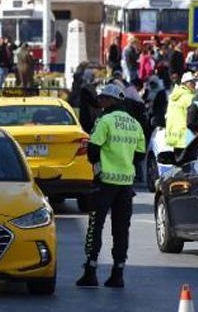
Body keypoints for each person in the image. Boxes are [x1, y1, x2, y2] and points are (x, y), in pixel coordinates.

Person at [76, 84, 145, 288]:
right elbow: (139, 155)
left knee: (95, 226)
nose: (100, 102)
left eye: (103, 98)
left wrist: (99, 169)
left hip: (105, 182)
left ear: (110, 100)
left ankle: (90, 271)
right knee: (121, 229)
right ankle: (118, 273)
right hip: (125, 184)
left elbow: (93, 149)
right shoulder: (134, 123)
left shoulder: (104, 120)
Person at [165, 71, 197, 157]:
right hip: (186, 138)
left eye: (195, 82)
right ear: (185, 83)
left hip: (175, 138)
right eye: (192, 82)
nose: (195, 84)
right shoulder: (189, 97)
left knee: (178, 166)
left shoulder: (173, 96)